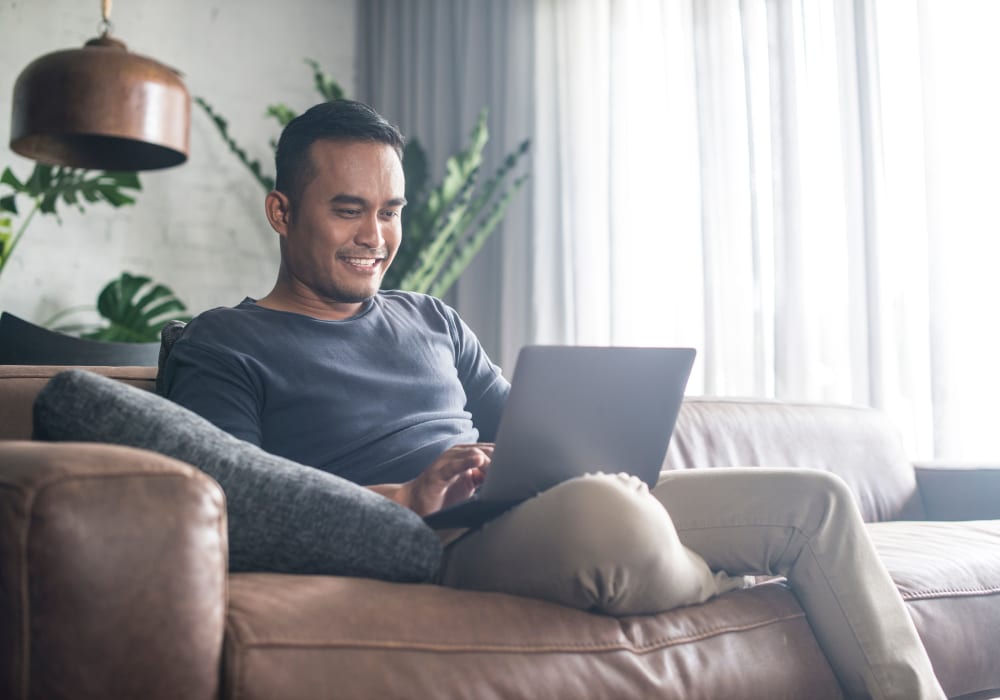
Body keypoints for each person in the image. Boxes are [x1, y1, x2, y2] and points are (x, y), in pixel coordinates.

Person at [163, 100, 944, 700]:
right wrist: (405, 496)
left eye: (391, 210)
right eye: (348, 208)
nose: (376, 235)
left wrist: (586, 451)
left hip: (536, 509)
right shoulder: (223, 344)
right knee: (613, 518)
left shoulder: (430, 318)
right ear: (281, 211)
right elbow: (237, 508)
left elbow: (531, 431)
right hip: (432, 543)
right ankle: (725, 573)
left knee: (816, 501)